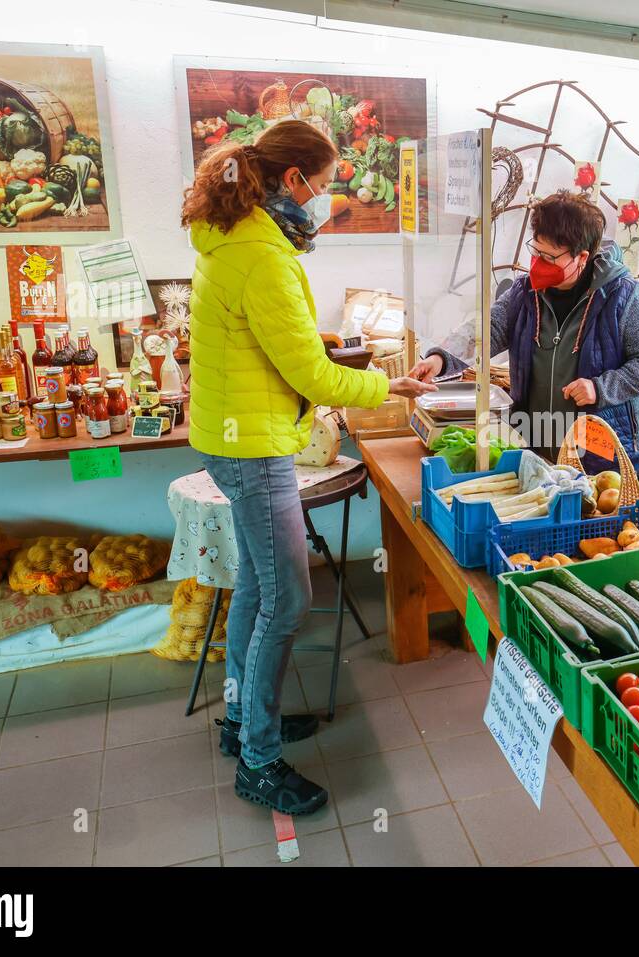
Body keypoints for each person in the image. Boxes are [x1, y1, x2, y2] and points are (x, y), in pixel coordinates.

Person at [181, 120, 434, 815]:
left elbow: (278, 349)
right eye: (322, 186)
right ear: (291, 180)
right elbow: (313, 375)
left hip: (231, 435)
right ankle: (259, 760)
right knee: (287, 598)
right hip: (253, 448)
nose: (324, 201)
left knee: (259, 590)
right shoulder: (263, 255)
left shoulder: (228, 233)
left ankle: (241, 721)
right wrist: (391, 386)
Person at [410, 190, 639, 467]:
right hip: (535, 439)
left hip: (600, 451)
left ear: (582, 257)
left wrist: (601, 388)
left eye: (550, 257)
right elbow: (489, 329)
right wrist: (440, 359)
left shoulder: (623, 297)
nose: (538, 264)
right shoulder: (526, 292)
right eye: (536, 251)